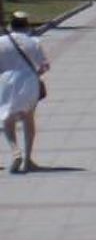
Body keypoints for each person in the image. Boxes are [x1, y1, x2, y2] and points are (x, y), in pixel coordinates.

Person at [2, 12, 51, 174]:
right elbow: (44, 66)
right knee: (28, 119)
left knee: (8, 119)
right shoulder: (34, 42)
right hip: (30, 83)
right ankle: (28, 160)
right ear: (27, 26)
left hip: (6, 82)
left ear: (11, 25)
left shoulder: (1, 42)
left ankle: (15, 151)